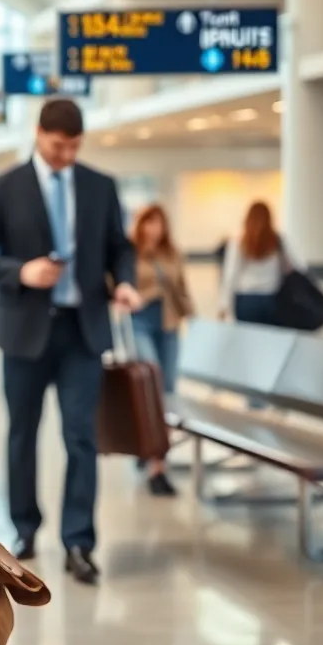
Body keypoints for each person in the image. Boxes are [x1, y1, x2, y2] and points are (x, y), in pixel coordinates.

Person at [0, 98, 141, 585]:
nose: (66, 155)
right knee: (22, 433)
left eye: (74, 147)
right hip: (24, 331)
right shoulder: (6, 187)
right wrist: (21, 271)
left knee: (81, 438)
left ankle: (79, 542)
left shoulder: (99, 186)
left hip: (83, 331)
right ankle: (25, 528)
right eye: (59, 146)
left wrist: (123, 280)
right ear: (39, 134)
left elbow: (120, 248)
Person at [129, 204, 190, 497]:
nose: (154, 229)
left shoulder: (172, 252)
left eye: (159, 223)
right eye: (149, 223)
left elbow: (181, 285)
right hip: (140, 323)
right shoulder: (130, 252)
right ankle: (146, 446)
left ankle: (158, 466)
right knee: (148, 388)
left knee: (167, 392)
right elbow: (119, 285)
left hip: (169, 325)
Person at [219, 200, 302, 326]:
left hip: (245, 300)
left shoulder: (238, 242)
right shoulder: (278, 240)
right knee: (270, 340)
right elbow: (297, 266)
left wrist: (224, 305)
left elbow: (231, 275)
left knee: (248, 340)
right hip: (272, 298)